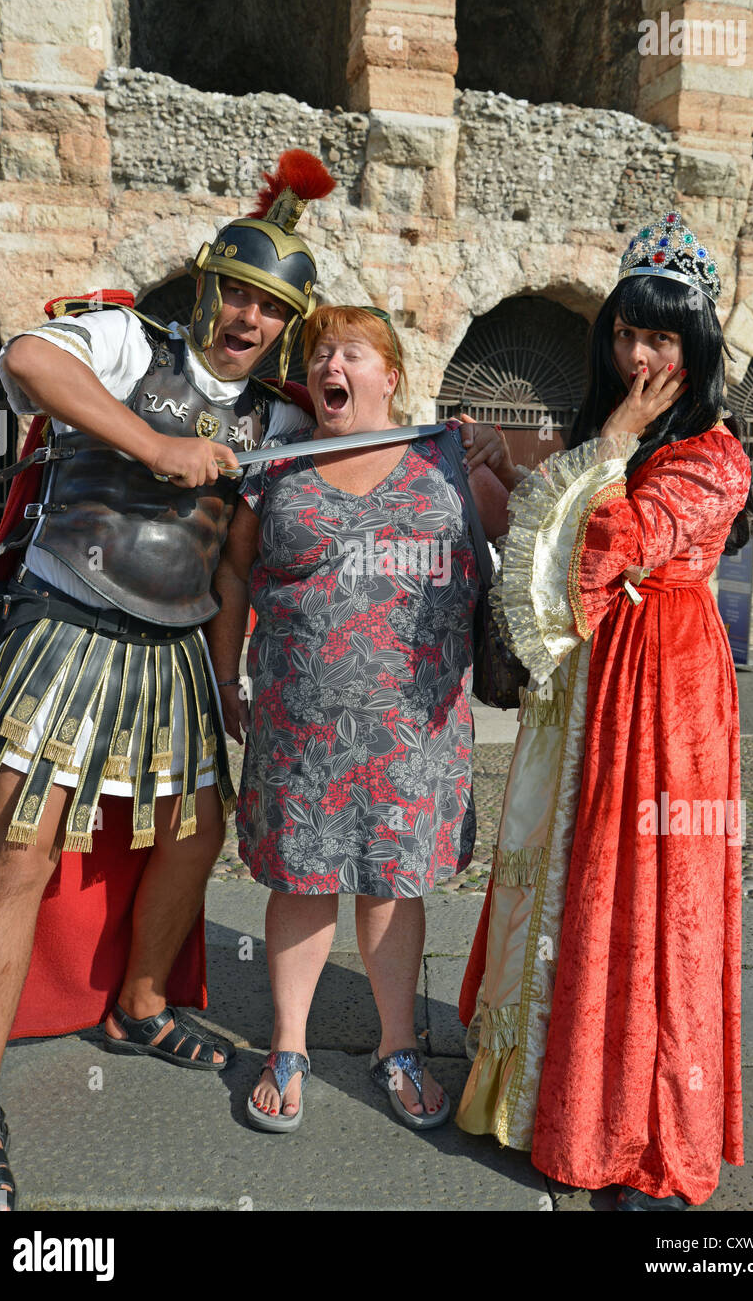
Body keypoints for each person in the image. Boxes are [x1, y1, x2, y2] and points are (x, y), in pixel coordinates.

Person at [0, 150, 333, 1209]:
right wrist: (150, 444)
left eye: (272, 308)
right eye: (238, 295)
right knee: (21, 856)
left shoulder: (277, 418)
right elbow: (31, 358)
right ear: (208, 288)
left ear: (286, 325)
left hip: (177, 644)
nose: (248, 319)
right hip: (65, 622)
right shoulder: (127, 339)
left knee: (194, 834)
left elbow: (257, 539)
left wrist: (487, 453)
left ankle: (137, 1002)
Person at [456, 211, 753, 1210]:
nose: (637, 352)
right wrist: (515, 462)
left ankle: (644, 1133)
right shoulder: (609, 437)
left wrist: (608, 447)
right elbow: (558, 511)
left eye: (662, 337)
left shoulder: (715, 457)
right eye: (627, 330)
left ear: (697, 348)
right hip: (592, 682)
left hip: (668, 694)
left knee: (653, 905)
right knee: (577, 889)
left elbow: (606, 543)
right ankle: (555, 1099)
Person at [207, 304, 509, 1132]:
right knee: (300, 881)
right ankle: (289, 1046)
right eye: (319, 356)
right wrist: (225, 675)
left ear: (390, 375)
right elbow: (235, 572)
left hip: (413, 730)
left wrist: (507, 463)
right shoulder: (278, 467)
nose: (330, 367)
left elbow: (539, 542)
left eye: (350, 353)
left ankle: (397, 1048)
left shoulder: (446, 461)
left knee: (392, 884)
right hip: (298, 722)